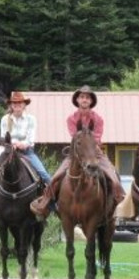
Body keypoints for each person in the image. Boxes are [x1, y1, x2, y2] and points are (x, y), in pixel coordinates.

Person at [29, 85, 123, 219]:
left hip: (95, 152)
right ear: (77, 100)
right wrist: (83, 143)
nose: (84, 100)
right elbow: (75, 136)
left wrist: (90, 145)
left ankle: (115, 203)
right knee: (55, 177)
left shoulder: (98, 119)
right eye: (82, 97)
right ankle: (45, 204)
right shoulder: (71, 119)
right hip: (76, 153)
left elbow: (97, 137)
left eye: (87, 98)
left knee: (112, 175)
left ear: (91, 101)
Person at [0, 91, 51, 220]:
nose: (17, 105)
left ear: (24, 105)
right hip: (7, 152)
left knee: (44, 174)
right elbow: (3, 138)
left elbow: (30, 140)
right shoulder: (5, 119)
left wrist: (19, 144)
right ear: (11, 105)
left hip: (26, 152)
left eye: (20, 103)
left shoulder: (31, 119)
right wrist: (10, 145)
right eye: (15, 103)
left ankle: (51, 204)